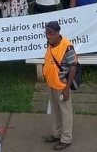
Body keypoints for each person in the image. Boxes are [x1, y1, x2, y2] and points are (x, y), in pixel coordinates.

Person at [42, 20, 77, 151]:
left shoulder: (67, 46)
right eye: (47, 33)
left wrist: (67, 88)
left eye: (51, 33)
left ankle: (66, 138)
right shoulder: (50, 43)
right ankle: (56, 134)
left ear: (58, 33)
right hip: (51, 82)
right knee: (55, 110)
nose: (48, 36)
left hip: (62, 85)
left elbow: (73, 66)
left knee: (65, 112)